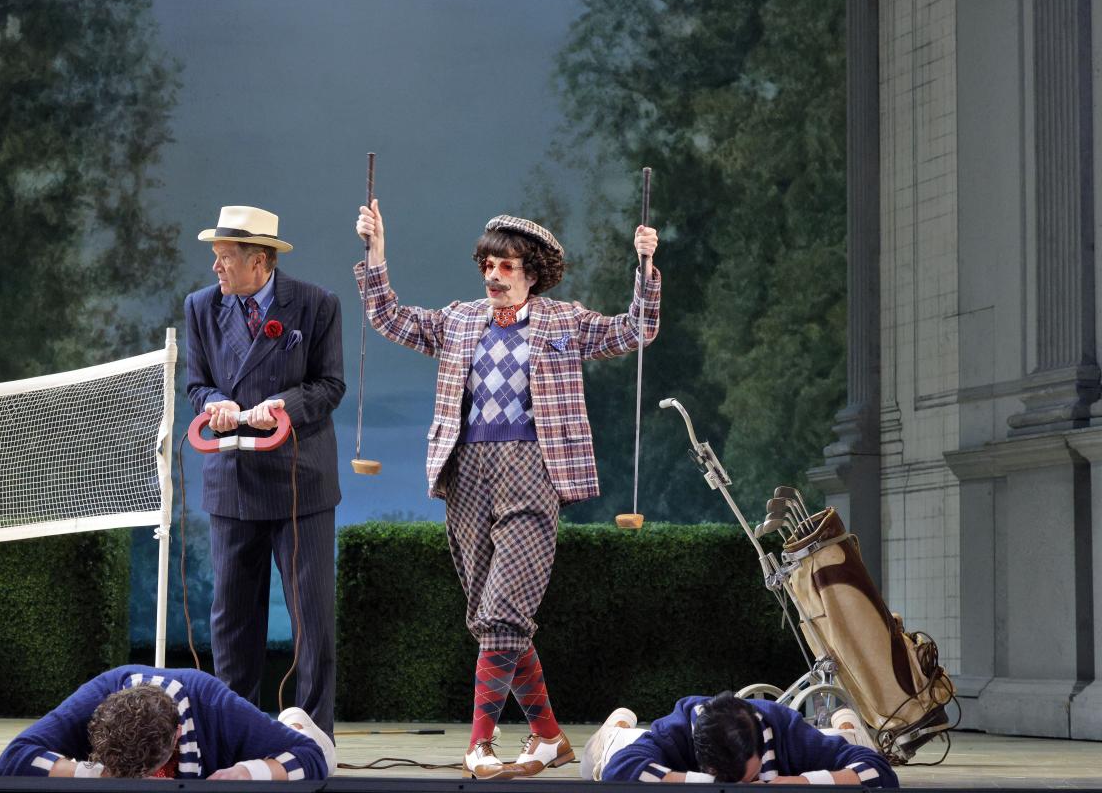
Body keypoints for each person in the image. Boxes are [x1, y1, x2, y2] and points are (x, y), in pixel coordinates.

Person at [354, 200, 660, 779]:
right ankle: (548, 739)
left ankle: (480, 746)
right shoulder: (459, 320)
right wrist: (377, 251)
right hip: (466, 471)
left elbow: (635, 329)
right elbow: (388, 317)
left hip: (532, 470)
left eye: (507, 267)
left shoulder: (563, 321)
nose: (493, 276)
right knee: (490, 618)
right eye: (487, 266)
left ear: (532, 273)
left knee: (502, 611)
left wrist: (645, 269)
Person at [185, 205, 345, 734]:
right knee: (232, 619)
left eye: (225, 257)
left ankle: (315, 736)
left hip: (301, 481)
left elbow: (330, 386)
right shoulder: (200, 307)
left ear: (259, 261)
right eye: (215, 256)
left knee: (312, 619)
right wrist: (215, 404)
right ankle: (237, 732)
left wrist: (281, 406)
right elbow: (197, 384)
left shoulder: (317, 305)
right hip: (232, 479)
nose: (216, 267)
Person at [0, 665, 335, 780]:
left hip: (298, 740)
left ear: (177, 735)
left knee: (323, 752)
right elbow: (12, 759)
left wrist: (248, 772)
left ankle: (294, 721)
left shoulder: (216, 704)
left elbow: (310, 758)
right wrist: (94, 773)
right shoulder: (96, 696)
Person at [580, 692, 898, 786]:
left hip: (817, 739)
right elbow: (618, 769)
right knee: (603, 751)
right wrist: (706, 784)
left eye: (751, 778)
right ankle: (620, 718)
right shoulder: (675, 731)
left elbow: (879, 772)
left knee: (846, 737)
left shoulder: (789, 731)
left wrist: (797, 782)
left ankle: (843, 719)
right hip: (632, 739)